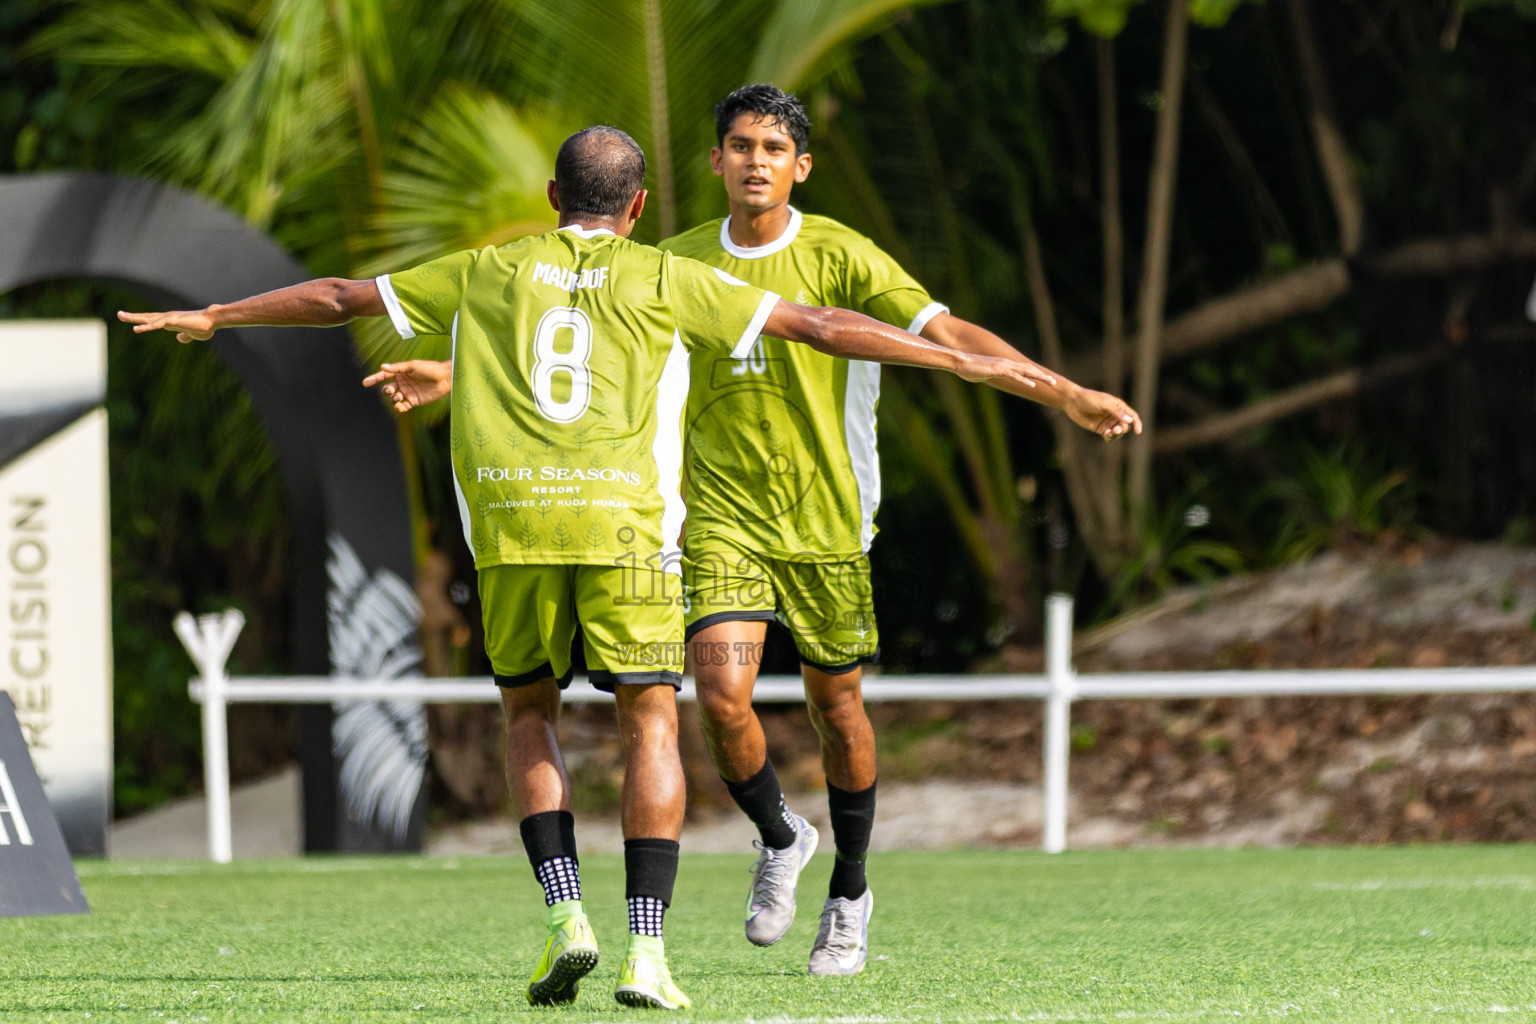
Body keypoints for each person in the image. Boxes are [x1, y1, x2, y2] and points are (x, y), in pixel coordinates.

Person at [120, 126, 1057, 1007]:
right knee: (652, 718)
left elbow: (338, 298)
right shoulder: (665, 276)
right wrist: (982, 369)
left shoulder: (488, 271)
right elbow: (816, 326)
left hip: (514, 529)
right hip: (626, 536)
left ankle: (568, 915)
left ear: (551, 196)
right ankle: (647, 950)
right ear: (640, 205)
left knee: (530, 713)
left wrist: (216, 313)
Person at [369, 88, 1141, 978]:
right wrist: (454, 367)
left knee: (837, 707)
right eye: (740, 145)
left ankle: (849, 890)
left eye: (774, 146)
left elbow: (949, 332)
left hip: (825, 519)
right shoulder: (675, 257)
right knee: (720, 695)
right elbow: (595, 337)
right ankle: (781, 833)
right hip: (718, 519)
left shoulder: (841, 254)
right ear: (715, 162)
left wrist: (1059, 389)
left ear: (800, 165)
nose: (755, 160)